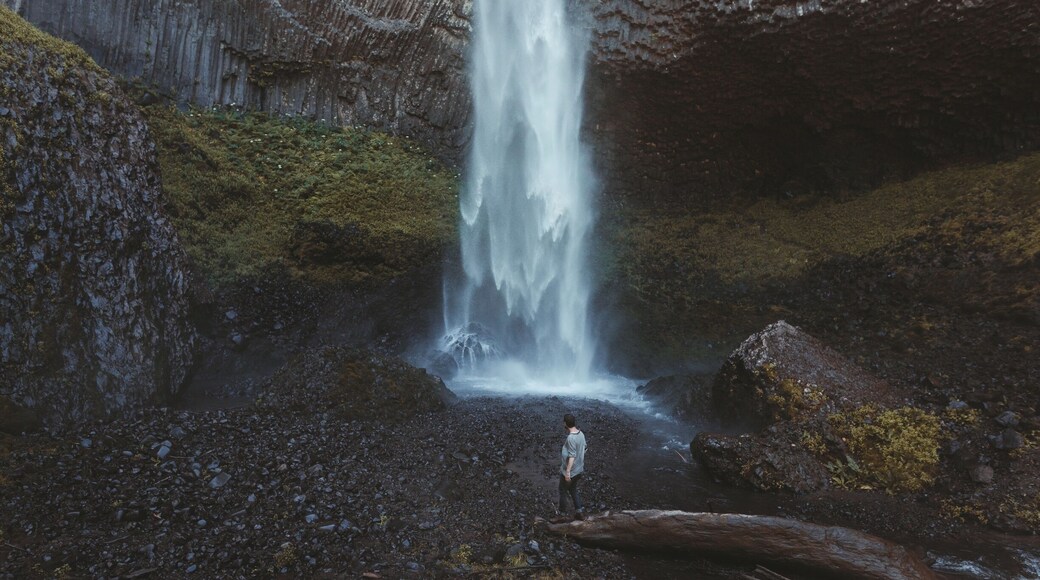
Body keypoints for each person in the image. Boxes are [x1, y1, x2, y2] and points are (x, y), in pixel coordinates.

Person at [558, 413, 587, 520]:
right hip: (579, 470)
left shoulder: (571, 438)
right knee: (573, 489)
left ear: (565, 424)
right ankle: (579, 512)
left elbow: (572, 456)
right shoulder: (581, 434)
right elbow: (585, 448)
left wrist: (568, 472)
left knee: (562, 491)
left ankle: (561, 515)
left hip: (571, 471)